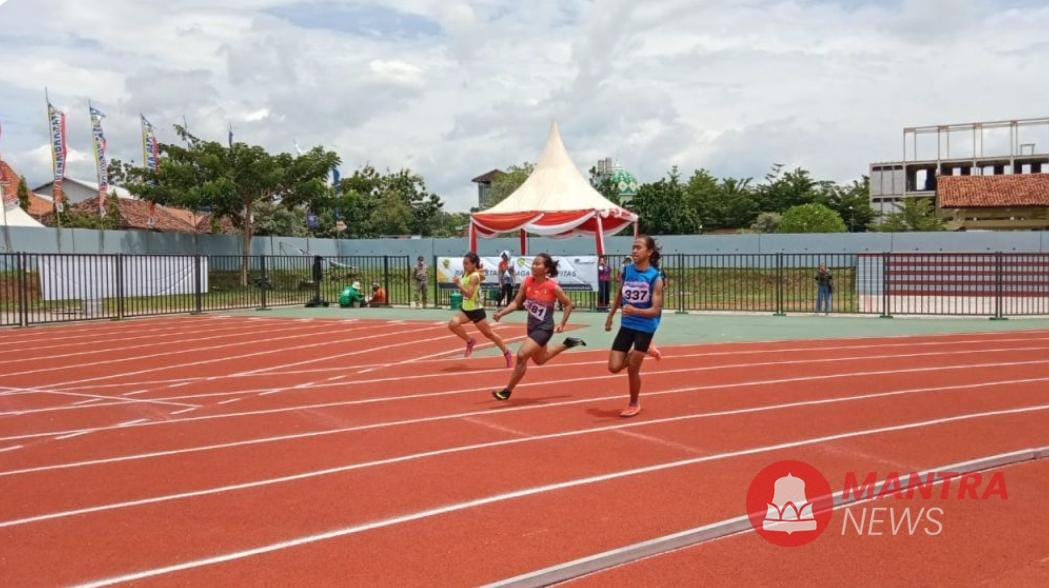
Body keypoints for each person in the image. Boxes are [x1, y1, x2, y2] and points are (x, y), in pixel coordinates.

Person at [491, 253, 585, 400]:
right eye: (533, 263)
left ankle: (507, 391)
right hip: (532, 327)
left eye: (538, 264)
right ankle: (568, 343)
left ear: (546, 269)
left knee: (522, 355)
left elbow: (568, 304)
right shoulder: (527, 282)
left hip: (545, 328)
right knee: (540, 360)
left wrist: (562, 323)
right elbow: (516, 303)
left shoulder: (553, 287)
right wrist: (501, 313)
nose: (534, 266)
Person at [605, 235, 664, 417]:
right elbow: (620, 296)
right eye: (633, 247)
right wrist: (611, 315)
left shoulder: (655, 277)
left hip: (646, 326)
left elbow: (655, 310)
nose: (634, 251)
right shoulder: (627, 270)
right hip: (627, 324)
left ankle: (633, 403)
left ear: (649, 252)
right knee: (614, 367)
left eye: (639, 247)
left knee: (633, 368)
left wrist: (634, 310)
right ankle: (644, 349)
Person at [447, 252, 513, 367]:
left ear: (473, 264)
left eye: (467, 263)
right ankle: (470, 341)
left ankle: (507, 352)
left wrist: (458, 284)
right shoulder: (467, 273)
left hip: (476, 311)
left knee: (490, 334)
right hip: (466, 310)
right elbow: (476, 280)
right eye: (463, 263)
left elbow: (469, 294)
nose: (464, 265)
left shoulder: (474, 276)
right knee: (453, 324)